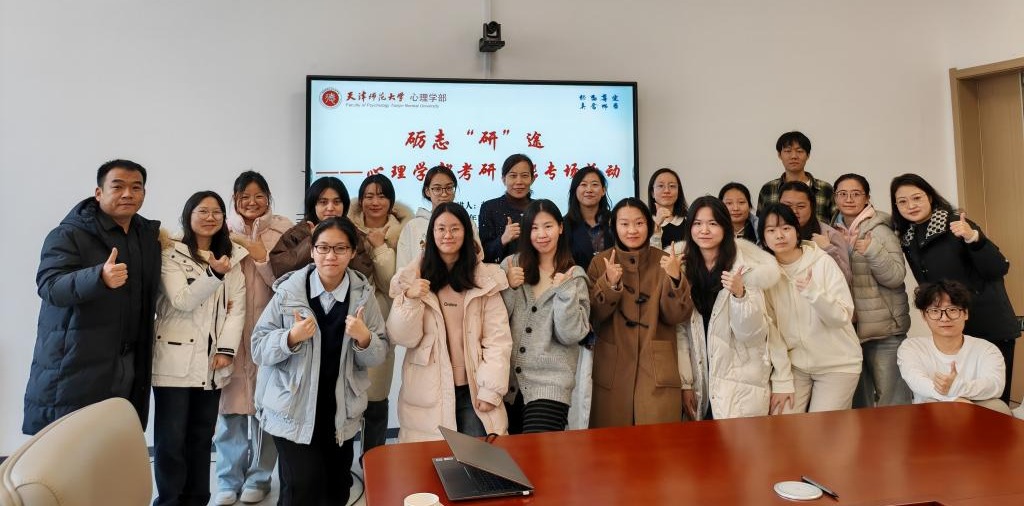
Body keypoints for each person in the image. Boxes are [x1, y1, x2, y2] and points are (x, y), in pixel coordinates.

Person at [251, 217, 387, 506]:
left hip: (340, 412)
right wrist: (290, 337)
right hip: (293, 408)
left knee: (337, 489)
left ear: (352, 252)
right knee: (301, 488)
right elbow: (258, 348)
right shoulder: (288, 292)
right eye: (323, 247)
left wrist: (364, 338)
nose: (330, 256)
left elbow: (379, 354)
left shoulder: (363, 297)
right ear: (312, 251)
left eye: (340, 248)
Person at [24, 159, 162, 435]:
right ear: (99, 193)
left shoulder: (147, 237)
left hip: (130, 359)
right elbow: (49, 286)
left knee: (114, 439)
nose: (128, 194)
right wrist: (98, 277)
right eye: (118, 186)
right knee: (72, 442)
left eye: (136, 187)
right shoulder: (69, 234)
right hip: (77, 360)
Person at [387, 203, 513, 442]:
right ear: (431, 234)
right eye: (441, 228)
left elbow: (498, 340)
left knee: (478, 460)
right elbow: (402, 338)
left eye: (455, 228)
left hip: (473, 390)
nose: (448, 235)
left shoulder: (484, 278)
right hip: (428, 392)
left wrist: (490, 390)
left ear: (466, 232)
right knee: (429, 462)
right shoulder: (412, 278)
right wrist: (411, 298)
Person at [153, 191, 247, 506]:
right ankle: (169, 501)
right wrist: (214, 274)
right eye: (202, 211)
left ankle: (197, 500)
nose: (210, 217)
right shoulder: (171, 253)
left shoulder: (232, 257)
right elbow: (182, 300)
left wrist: (226, 350)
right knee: (171, 442)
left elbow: (237, 310)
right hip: (174, 361)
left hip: (212, 363)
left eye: (216, 211)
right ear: (188, 215)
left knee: (201, 438)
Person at [890, 173, 1018, 402]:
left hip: (988, 323)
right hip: (951, 328)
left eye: (917, 198)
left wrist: (973, 237)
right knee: (955, 401)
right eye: (902, 201)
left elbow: (998, 267)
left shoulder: (956, 223)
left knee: (992, 402)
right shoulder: (909, 239)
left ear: (930, 197)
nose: (910, 205)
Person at [213, 171, 292, 505]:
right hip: (229, 334)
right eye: (244, 196)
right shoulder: (219, 231)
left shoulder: (284, 230)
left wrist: (260, 255)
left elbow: (287, 282)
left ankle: (259, 478)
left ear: (268, 197)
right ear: (234, 199)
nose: (252, 202)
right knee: (229, 410)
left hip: (268, 333)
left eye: (259, 195)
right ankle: (227, 479)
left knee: (267, 410)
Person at [587, 198, 694, 428]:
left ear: (649, 225)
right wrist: (610, 284)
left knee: (658, 444)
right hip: (612, 370)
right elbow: (594, 316)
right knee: (611, 444)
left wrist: (675, 278)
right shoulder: (599, 262)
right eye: (624, 224)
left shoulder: (665, 261)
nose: (632, 230)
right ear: (614, 226)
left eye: (639, 223)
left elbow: (677, 316)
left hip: (656, 368)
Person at [677, 197, 779, 420]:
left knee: (736, 441)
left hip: (740, 382)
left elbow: (753, 335)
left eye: (713, 223)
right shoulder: (682, 268)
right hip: (700, 379)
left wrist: (740, 295)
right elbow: (681, 332)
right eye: (697, 223)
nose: (704, 230)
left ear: (725, 227)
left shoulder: (745, 268)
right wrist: (685, 383)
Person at [760, 204, 862, 414]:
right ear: (763, 238)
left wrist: (813, 293)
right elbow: (772, 332)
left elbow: (842, 316)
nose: (779, 235)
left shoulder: (823, 262)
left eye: (786, 228)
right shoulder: (766, 275)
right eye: (771, 230)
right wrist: (781, 380)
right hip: (795, 367)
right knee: (781, 423)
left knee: (823, 429)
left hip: (838, 364)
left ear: (797, 232)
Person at [500, 200, 590, 433]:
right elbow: (495, 323)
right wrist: (509, 287)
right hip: (504, 383)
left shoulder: (574, 276)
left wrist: (565, 292)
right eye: (534, 228)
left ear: (560, 227)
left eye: (548, 226)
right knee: (506, 453)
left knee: (538, 451)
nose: (541, 234)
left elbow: (570, 335)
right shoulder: (511, 266)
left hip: (551, 385)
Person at [831, 173, 911, 408]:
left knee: (893, 402)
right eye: (843, 194)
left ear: (867, 197)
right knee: (859, 404)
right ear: (835, 198)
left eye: (856, 194)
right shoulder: (831, 232)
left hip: (884, 330)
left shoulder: (880, 230)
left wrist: (872, 250)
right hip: (850, 330)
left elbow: (895, 276)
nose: (849, 199)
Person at [347, 174, 412, 453]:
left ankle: (373, 460)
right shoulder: (346, 228)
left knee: (376, 397)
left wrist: (380, 247)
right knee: (344, 395)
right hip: (347, 316)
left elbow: (390, 285)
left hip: (381, 318)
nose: (375, 202)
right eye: (369, 196)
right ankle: (342, 464)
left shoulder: (404, 233)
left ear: (391, 202)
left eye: (382, 196)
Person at [897, 280, 1011, 415]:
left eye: (952, 310)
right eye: (935, 311)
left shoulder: (986, 349)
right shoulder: (912, 347)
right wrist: (954, 400)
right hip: (932, 410)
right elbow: (917, 382)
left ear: (965, 313)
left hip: (975, 409)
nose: (944, 318)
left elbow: (995, 386)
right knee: (932, 404)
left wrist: (957, 386)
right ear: (924, 315)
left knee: (998, 407)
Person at [562, 165, 612, 429]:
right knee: (582, 380)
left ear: (603, 190)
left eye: (595, 184)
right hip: (579, 304)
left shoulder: (615, 221)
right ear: (574, 190)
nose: (589, 189)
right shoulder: (564, 225)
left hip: (613, 301)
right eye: (583, 184)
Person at [269, 176, 372, 279]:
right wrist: (312, 239)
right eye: (323, 202)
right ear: (313, 205)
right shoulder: (296, 233)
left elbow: (364, 272)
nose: (330, 208)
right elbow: (279, 269)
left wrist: (345, 243)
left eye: (337, 202)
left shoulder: (353, 233)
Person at [396, 165, 477, 270]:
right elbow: (402, 268)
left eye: (449, 188)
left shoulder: (467, 222)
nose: (444, 194)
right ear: (427, 191)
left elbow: (477, 258)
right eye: (437, 189)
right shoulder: (413, 226)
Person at [778, 181, 853, 284]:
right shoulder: (771, 234)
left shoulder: (829, 235)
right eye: (787, 205)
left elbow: (846, 279)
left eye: (801, 206)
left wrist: (828, 249)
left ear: (812, 207)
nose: (794, 211)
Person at [756, 131, 836, 222]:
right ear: (779, 155)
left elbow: (836, 224)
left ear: (808, 155)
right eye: (788, 151)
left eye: (799, 151)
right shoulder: (768, 189)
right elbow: (760, 224)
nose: (794, 156)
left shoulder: (825, 188)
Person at [478, 154, 537, 264]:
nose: (519, 181)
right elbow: (482, 254)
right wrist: (503, 239)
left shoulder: (539, 208)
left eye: (524, 176)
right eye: (513, 176)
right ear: (504, 179)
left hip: (537, 270)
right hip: (501, 273)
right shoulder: (489, 208)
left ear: (532, 179)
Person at [648, 168, 688, 249]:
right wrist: (657, 225)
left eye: (672, 186)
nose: (666, 190)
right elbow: (647, 254)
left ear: (679, 191)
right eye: (660, 186)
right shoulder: (644, 221)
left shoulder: (689, 219)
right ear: (652, 193)